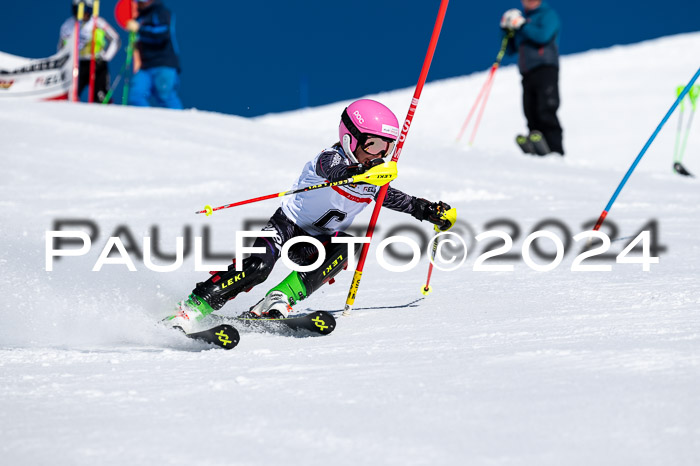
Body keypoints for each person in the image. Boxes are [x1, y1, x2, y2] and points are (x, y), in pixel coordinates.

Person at [165, 99, 457, 331]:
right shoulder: (331, 158)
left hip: (316, 241)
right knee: (257, 267)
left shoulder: (374, 178)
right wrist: (363, 172)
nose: (379, 154)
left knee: (345, 247)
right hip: (286, 226)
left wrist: (429, 211)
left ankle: (277, 301)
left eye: (387, 147)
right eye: (372, 145)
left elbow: (399, 200)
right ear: (349, 139)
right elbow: (336, 173)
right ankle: (193, 307)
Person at [501, 0, 564, 156]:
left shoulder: (548, 15)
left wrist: (521, 25)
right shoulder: (525, 21)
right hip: (527, 72)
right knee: (530, 110)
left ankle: (555, 149)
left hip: (546, 67)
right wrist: (506, 28)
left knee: (546, 108)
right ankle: (536, 143)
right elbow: (510, 49)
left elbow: (542, 36)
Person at [58, 0, 121, 103]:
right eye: (81, 10)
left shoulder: (97, 22)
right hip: (77, 64)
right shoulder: (68, 25)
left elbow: (116, 39)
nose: (85, 13)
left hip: (97, 63)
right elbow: (61, 47)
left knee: (100, 95)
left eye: (88, 9)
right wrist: (63, 62)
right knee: (70, 94)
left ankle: (104, 114)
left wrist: (105, 58)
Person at [126, 0, 182, 109]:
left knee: (165, 96)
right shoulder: (140, 17)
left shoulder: (161, 12)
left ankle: (180, 123)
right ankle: (146, 123)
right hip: (146, 66)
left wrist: (139, 29)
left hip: (164, 64)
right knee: (136, 95)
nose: (139, 3)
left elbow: (162, 34)